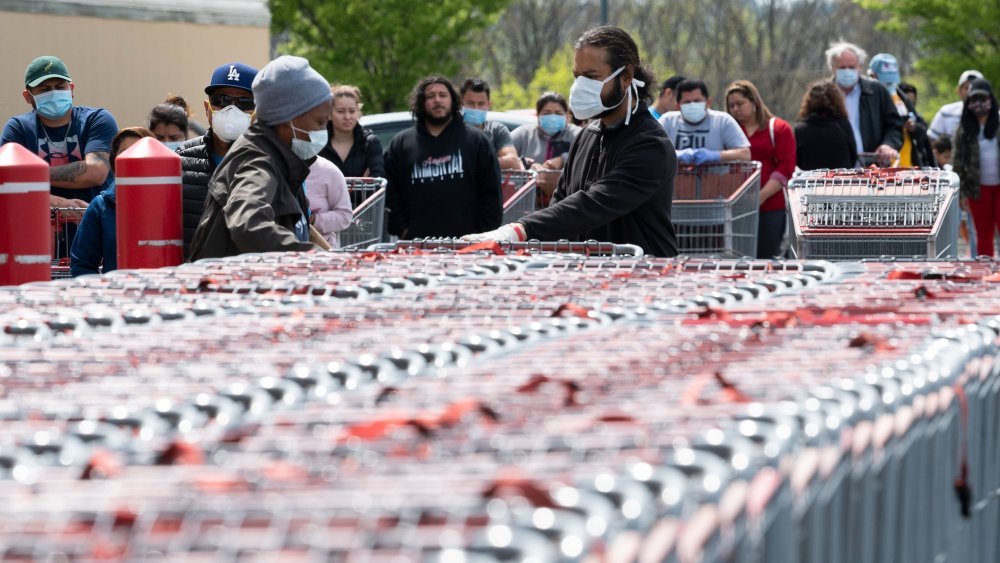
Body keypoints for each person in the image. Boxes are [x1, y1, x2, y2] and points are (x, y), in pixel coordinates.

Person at [464, 25, 678, 257]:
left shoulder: (650, 143)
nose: (580, 86)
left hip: (644, 276)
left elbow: (593, 204)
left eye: (591, 77)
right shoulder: (587, 135)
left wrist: (519, 229)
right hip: (588, 276)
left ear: (626, 76)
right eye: (577, 76)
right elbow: (561, 203)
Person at [188, 55, 331, 260]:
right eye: (320, 121)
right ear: (287, 117)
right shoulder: (257, 161)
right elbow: (248, 223)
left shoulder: (284, 157)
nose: (322, 131)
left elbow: (297, 224)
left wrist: (333, 257)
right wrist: (311, 257)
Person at [383, 76, 502, 239]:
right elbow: (390, 195)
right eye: (430, 96)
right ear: (421, 102)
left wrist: (480, 236)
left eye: (443, 95)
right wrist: (404, 230)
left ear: (453, 100)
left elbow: (492, 195)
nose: (437, 100)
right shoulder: (401, 144)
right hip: (416, 250)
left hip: (469, 249)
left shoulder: (477, 141)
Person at [1, 56, 117, 204]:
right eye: (44, 89)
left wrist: (28, 174)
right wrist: (61, 204)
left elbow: (95, 172)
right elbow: (9, 183)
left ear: (71, 89)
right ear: (27, 96)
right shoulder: (18, 128)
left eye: (60, 87)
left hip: (95, 223)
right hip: (42, 224)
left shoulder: (97, 119)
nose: (54, 93)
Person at [177, 62, 258, 257]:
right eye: (221, 100)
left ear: (258, 112)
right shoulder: (181, 159)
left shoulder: (273, 162)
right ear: (207, 108)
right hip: (193, 278)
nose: (231, 109)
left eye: (244, 103)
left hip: (249, 278)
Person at [69, 127, 155, 276]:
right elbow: (82, 264)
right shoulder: (101, 206)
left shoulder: (172, 200)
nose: (132, 158)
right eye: (125, 153)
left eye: (138, 151)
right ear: (114, 162)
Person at [724, 80, 796, 258]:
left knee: (765, 258)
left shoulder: (778, 128)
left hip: (770, 207)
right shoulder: (728, 130)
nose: (735, 109)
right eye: (731, 105)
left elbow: (786, 167)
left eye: (740, 103)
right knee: (737, 258)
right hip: (735, 208)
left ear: (754, 102)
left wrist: (760, 196)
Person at [826, 41, 903, 164]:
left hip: (872, 168)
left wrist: (888, 144)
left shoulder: (876, 91)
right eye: (842, 67)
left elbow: (894, 126)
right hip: (833, 169)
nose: (847, 72)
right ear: (832, 68)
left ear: (859, 67)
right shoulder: (823, 94)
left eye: (851, 67)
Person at [952, 78, 1000, 257]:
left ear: (991, 100)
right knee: (983, 234)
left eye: (982, 99)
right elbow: (957, 163)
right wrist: (962, 194)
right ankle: (987, 274)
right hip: (977, 190)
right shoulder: (963, 129)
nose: (978, 104)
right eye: (974, 100)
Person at [317, 84, 385, 209]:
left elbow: (377, 187)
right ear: (330, 114)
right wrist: (361, 184)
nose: (347, 117)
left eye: (352, 111)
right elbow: (315, 188)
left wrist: (335, 190)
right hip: (327, 217)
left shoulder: (370, 143)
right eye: (340, 111)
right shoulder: (319, 144)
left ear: (358, 112)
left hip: (363, 217)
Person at [510, 91, 582, 203]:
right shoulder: (523, 134)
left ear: (567, 115)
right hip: (528, 206)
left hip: (567, 206)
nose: (553, 117)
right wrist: (528, 165)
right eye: (547, 113)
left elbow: (590, 155)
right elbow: (502, 156)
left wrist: (563, 158)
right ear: (538, 115)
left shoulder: (578, 134)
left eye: (558, 113)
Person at [658, 79, 750, 164]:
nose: (692, 105)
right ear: (678, 106)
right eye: (687, 102)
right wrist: (675, 155)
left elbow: (745, 154)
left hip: (716, 180)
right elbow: (651, 150)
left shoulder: (723, 121)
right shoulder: (667, 121)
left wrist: (715, 155)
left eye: (697, 101)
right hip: (677, 181)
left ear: (708, 102)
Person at [867, 53, 933, 167]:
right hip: (879, 168)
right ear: (872, 76)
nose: (889, 85)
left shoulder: (901, 97)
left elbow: (922, 126)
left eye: (891, 81)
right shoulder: (867, 98)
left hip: (907, 165)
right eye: (885, 81)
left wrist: (913, 127)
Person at [459, 78, 522, 170]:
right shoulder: (451, 131)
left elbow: (513, 162)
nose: (476, 108)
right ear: (461, 104)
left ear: (489, 105)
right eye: (471, 103)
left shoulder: (497, 130)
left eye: (481, 104)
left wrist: (476, 161)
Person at [794, 80, 857, 170]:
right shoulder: (844, 125)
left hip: (810, 182)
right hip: (841, 181)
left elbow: (797, 161)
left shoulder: (801, 129)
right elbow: (853, 157)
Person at [304, 156, 353, 248]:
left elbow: (344, 216)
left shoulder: (329, 171)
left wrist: (314, 219)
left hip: (320, 251)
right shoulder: (274, 166)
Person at [929, 70, 984, 141]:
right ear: (959, 91)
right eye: (966, 88)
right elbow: (931, 140)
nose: (970, 92)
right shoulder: (946, 112)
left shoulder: (996, 116)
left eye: (975, 88)